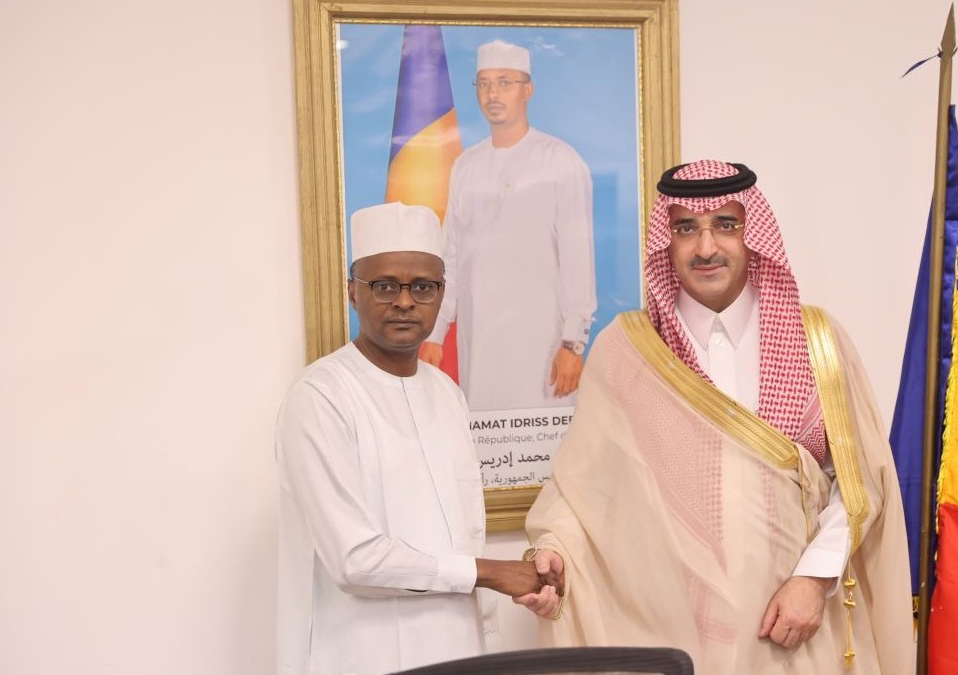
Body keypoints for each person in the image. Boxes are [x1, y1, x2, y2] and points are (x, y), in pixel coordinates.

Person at [515, 161, 914, 674]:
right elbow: (583, 486)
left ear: (753, 234)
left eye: (725, 225)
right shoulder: (628, 350)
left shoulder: (818, 341)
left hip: (793, 629)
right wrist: (553, 550)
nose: (705, 248)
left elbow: (858, 483)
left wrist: (815, 580)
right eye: (686, 229)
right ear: (667, 242)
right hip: (675, 627)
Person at [275, 202, 556, 675]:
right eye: (385, 285)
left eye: (423, 287)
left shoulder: (446, 394)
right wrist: (492, 572)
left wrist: (526, 578)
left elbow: (460, 537)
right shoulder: (320, 397)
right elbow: (354, 560)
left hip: (460, 650)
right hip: (363, 655)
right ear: (353, 291)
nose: (405, 302)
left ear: (441, 294)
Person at [422, 39, 597, 411]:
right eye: (484, 83)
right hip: (480, 342)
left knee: (548, 441)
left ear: (527, 90)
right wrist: (435, 334)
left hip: (543, 344)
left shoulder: (560, 160)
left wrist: (573, 343)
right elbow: (450, 258)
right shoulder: (466, 166)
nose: (493, 94)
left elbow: (577, 258)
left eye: (504, 82)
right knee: (483, 436)